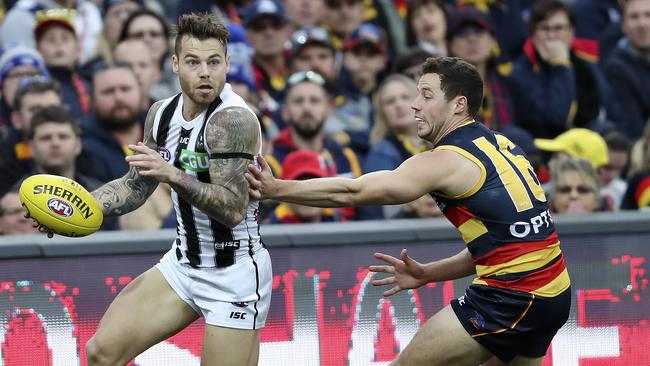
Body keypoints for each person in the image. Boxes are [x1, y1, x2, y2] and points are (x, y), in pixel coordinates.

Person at [247, 56, 570, 365]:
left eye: (426, 95)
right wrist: (429, 273)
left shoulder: (446, 160)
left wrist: (278, 189)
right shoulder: (500, 143)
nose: (414, 104)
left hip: (511, 297)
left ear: (458, 104)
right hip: (553, 294)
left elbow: (354, 191)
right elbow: (507, 244)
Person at [28, 13, 272, 365]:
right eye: (193, 62)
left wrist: (172, 174)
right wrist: (72, 208)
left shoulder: (234, 120)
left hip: (233, 273)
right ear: (174, 64)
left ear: (227, 64)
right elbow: (136, 186)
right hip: (183, 263)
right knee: (100, 353)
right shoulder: (161, 114)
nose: (205, 72)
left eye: (214, 62)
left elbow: (232, 210)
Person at [602, 0, 650, 140]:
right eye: (634, 17)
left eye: (648, 15)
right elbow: (632, 130)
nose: (642, 24)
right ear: (623, 25)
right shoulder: (615, 69)